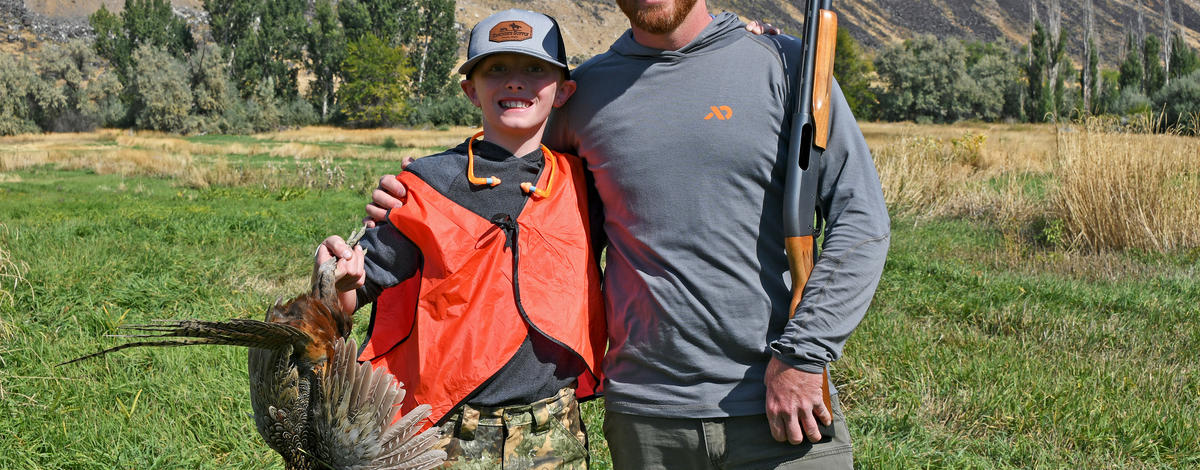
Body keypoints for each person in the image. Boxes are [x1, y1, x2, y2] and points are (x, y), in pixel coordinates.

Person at [367, 1, 891, 468]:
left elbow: (861, 219)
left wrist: (803, 356)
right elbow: (505, 149)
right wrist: (421, 183)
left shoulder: (785, 65)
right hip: (646, 421)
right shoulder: (587, 90)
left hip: (781, 402)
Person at [317, 9, 607, 469]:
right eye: (496, 69)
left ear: (564, 90)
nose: (516, 82)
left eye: (535, 69)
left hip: (555, 432)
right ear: (471, 90)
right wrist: (337, 279)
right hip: (446, 433)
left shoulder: (584, 185)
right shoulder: (426, 184)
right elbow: (358, 290)